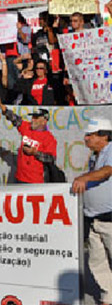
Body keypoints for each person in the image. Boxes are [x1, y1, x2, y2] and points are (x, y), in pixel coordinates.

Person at [71, 118, 112, 304]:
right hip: (94, 219)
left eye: (90, 135)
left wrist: (84, 178)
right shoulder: (95, 155)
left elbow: (107, 171)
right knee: (97, 260)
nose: (86, 138)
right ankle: (108, 295)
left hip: (109, 219)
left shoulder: (110, 150)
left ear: (104, 136)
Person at [0, 99, 57, 184]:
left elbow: (51, 159)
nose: (33, 120)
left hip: (35, 181)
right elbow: (13, 118)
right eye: (32, 117)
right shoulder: (27, 127)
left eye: (36, 118)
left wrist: (35, 153)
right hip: (20, 176)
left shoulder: (49, 138)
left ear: (44, 121)